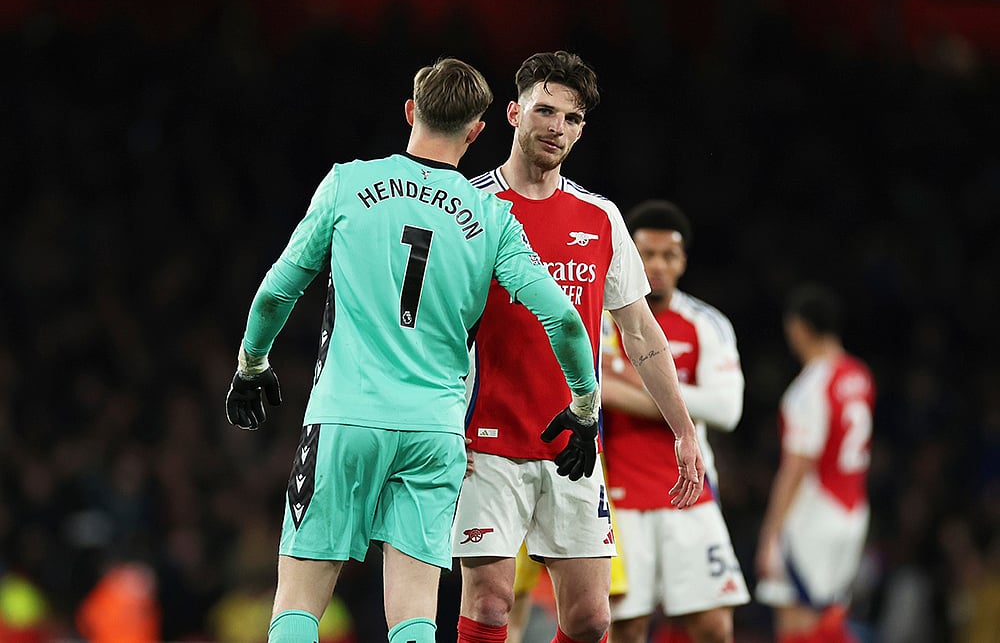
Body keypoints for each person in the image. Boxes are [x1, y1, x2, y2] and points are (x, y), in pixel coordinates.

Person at [224, 57, 605, 643]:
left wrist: (253, 363)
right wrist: (583, 404)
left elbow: (278, 289)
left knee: (299, 601)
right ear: (478, 131)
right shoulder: (492, 216)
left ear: (411, 111)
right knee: (412, 616)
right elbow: (562, 318)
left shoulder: (348, 183)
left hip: (344, 418)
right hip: (435, 432)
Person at [453, 50, 706, 643]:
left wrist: (684, 429)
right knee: (490, 605)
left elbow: (641, 333)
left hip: (573, 441)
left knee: (591, 620)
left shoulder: (599, 218)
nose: (556, 128)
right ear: (513, 113)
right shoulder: (470, 209)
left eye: (571, 118)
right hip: (482, 442)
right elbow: (436, 330)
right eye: (544, 111)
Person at [599, 200, 750, 643]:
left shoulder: (706, 323)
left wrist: (629, 383)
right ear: (628, 254)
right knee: (623, 629)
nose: (657, 265)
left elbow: (727, 410)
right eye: (646, 254)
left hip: (690, 492)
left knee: (714, 627)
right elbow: (593, 389)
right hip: (619, 498)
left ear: (683, 261)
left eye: (668, 255)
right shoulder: (603, 319)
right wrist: (671, 399)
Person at [755, 284, 875, 643]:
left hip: (814, 516)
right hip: (852, 514)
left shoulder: (809, 389)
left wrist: (770, 534)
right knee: (831, 617)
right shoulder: (859, 375)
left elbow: (796, 467)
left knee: (796, 625)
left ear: (799, 327)